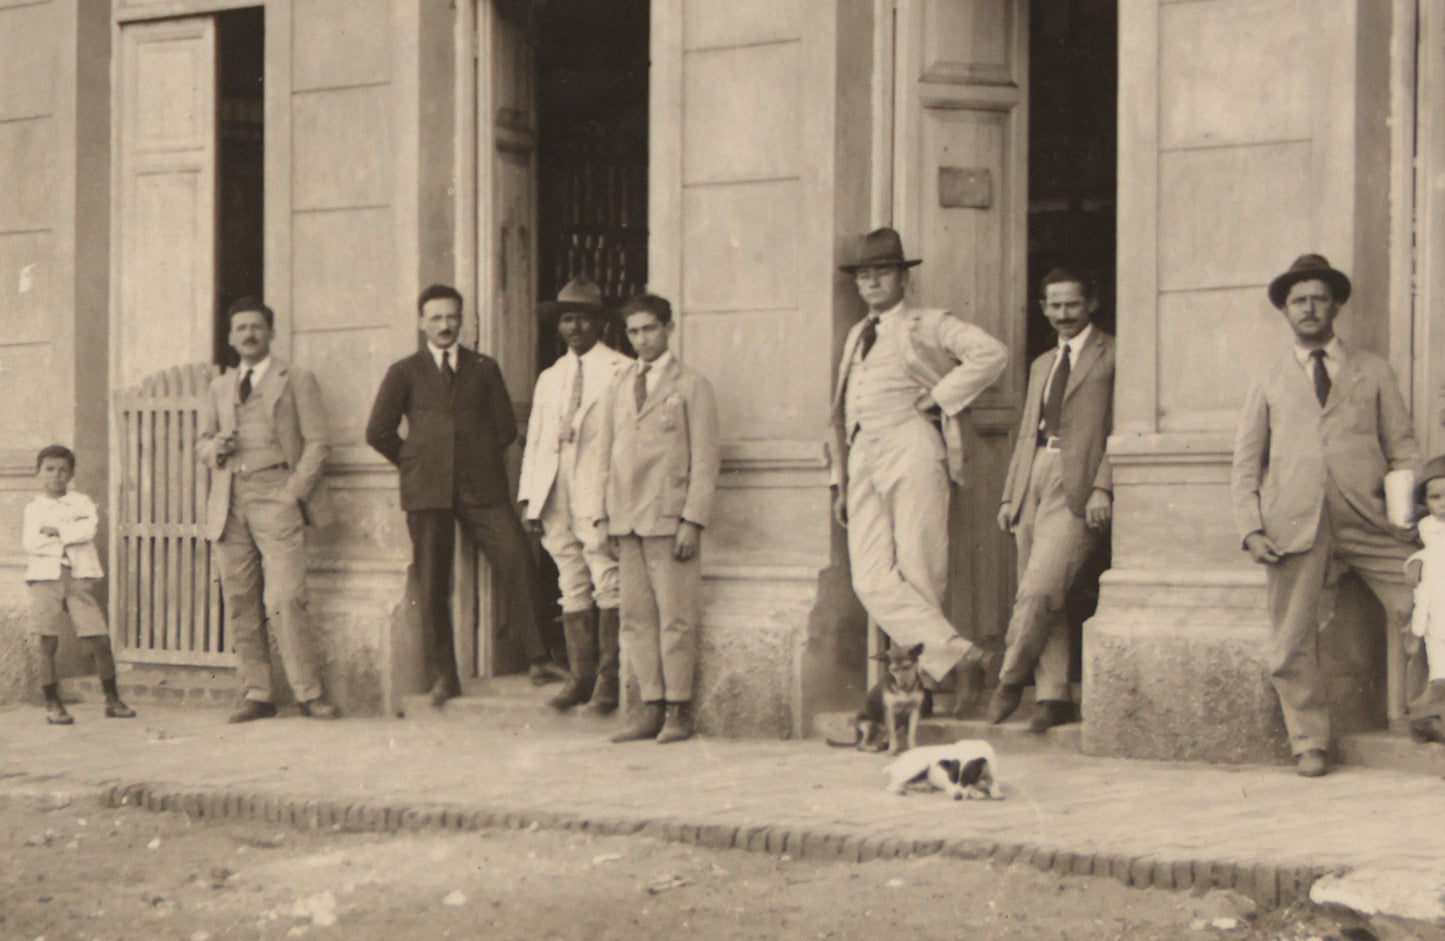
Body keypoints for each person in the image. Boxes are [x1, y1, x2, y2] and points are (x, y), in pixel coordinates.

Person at [1231, 253, 1445, 776]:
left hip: (1372, 520)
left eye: (1319, 299)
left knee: (1427, 603)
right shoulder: (1269, 378)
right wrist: (1252, 529)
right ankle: (1309, 742)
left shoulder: (1372, 370)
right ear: (1285, 310)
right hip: (1294, 524)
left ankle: (1429, 710)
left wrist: (1413, 517)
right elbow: (1246, 463)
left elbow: (1404, 448)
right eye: (1298, 300)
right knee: (1291, 639)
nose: (1308, 308)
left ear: (1335, 307)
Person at [827, 227, 1008, 690]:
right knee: (869, 577)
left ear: (903, 279)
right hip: (864, 453)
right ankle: (962, 657)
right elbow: (845, 404)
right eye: (864, 275)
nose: (871, 283)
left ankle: (926, 689)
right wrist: (842, 481)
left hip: (910, 442)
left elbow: (991, 354)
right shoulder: (857, 333)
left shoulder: (927, 323)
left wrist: (939, 397)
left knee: (920, 567)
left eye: (882, 273)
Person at [366, 284, 563, 707]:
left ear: (463, 321)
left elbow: (506, 428)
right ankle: (444, 676)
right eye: (435, 318)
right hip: (427, 491)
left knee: (516, 557)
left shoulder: (483, 368)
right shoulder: (405, 371)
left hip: (482, 487)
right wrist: (417, 463)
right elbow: (378, 431)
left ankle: (538, 659)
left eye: (451, 317)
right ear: (422, 323)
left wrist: (472, 456)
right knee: (433, 582)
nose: (444, 325)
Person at [198, 297, 339, 723]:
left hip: (276, 493)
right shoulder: (220, 387)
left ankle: (308, 694)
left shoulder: (296, 378)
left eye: (256, 327)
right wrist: (214, 450)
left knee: (284, 598)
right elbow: (201, 442)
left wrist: (293, 492)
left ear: (270, 332)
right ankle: (258, 693)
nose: (248, 334)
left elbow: (318, 442)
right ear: (230, 337)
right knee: (240, 598)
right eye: (240, 328)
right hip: (229, 499)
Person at [990, 268, 1114, 731]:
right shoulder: (1043, 363)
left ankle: (1009, 677)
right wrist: (1011, 494)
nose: (1063, 314)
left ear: (1091, 304)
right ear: (1043, 308)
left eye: (1072, 305)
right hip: (1035, 475)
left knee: (1041, 588)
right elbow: (1027, 431)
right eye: (1054, 306)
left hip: (1077, 479)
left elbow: (1120, 429)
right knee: (1042, 592)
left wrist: (1104, 486)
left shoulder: (1113, 354)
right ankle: (1053, 694)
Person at [595, 294, 719, 744]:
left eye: (650, 329)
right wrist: (601, 517)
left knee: (676, 617)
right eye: (633, 331)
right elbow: (605, 454)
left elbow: (705, 459)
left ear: (668, 328)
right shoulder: (619, 384)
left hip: (669, 520)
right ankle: (649, 706)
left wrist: (693, 519)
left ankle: (678, 710)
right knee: (635, 617)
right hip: (626, 518)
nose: (642, 339)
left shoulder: (691, 385)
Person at [518, 276, 633, 712]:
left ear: (599, 323)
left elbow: (624, 441)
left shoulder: (621, 370)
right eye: (567, 319)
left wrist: (616, 498)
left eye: (583, 319)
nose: (575, 327)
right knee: (569, 576)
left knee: (606, 575)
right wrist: (530, 494)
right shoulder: (551, 376)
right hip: (555, 487)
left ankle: (608, 681)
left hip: (597, 487)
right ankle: (580, 677)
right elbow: (536, 440)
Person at [23, 445, 135, 725]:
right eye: (50, 469)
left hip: (79, 575)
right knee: (47, 639)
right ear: (38, 472)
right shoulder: (34, 508)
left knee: (99, 637)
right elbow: (32, 543)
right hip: (46, 576)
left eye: (63, 470)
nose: (56, 475)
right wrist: (69, 532)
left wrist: (56, 531)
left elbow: (88, 530)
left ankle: (112, 699)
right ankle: (52, 702)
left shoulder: (82, 502)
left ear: (71, 474)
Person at [1407, 455, 1445, 689]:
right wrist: (1416, 561)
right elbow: (1430, 551)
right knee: (1437, 651)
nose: (1443, 503)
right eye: (1435, 497)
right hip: (1437, 597)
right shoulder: (1426, 526)